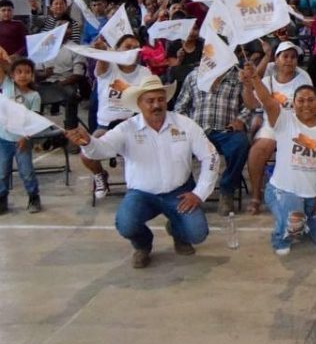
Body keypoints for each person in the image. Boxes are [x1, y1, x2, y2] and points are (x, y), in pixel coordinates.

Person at [64, 76, 218, 269]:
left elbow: (210, 157)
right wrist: (88, 142)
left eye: (160, 100)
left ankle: (178, 231)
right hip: (141, 195)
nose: (156, 105)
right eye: (150, 101)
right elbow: (102, 149)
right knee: (126, 223)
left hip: (179, 192)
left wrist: (199, 193)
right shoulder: (127, 128)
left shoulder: (185, 124)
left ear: (166, 100)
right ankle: (143, 245)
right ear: (139, 104)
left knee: (198, 234)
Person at [243, 63, 316, 255]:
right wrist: (255, 79)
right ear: (293, 104)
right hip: (285, 191)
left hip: (313, 195)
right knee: (292, 223)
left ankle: (303, 221)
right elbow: (267, 101)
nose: (306, 104)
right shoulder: (284, 120)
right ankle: (280, 238)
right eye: (301, 100)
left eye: (310, 100)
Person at [171, 64, 253, 215]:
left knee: (240, 144)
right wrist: (188, 127)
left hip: (226, 131)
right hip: (196, 132)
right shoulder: (194, 75)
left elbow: (249, 106)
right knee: (176, 144)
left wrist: (240, 120)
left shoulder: (239, 76)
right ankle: (190, 190)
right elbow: (179, 107)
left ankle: (227, 191)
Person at [245, 41, 313, 213]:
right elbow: (252, 104)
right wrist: (247, 86)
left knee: (307, 148)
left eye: (293, 57)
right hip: (271, 126)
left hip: (297, 126)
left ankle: (301, 193)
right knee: (257, 151)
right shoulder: (267, 81)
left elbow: (310, 108)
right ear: (276, 59)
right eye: (285, 56)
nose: (289, 60)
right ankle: (255, 196)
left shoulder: (303, 78)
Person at [85, 34, 152, 200]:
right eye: (127, 46)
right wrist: (101, 51)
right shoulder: (108, 68)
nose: (132, 50)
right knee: (85, 153)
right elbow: (102, 62)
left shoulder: (145, 72)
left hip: (133, 126)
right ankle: (100, 175)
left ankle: (139, 186)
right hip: (105, 127)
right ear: (117, 50)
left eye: (135, 47)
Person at [0, 50, 42, 214]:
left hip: (22, 139)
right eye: (19, 72)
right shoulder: (7, 85)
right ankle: (2, 199)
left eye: (27, 72)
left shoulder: (34, 96)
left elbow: (34, 121)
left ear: (32, 75)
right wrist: (4, 57)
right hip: (3, 138)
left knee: (26, 171)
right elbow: (2, 67)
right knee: (2, 171)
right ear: (12, 74)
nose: (23, 75)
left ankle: (33, 196)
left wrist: (26, 137)